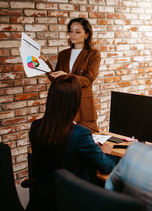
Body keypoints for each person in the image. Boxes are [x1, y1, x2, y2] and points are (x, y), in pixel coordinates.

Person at [29, 75, 116, 211]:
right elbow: (107, 166)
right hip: (71, 201)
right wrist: (104, 152)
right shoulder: (80, 134)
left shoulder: (36, 127)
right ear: (75, 102)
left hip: (42, 200)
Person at [42, 17, 101, 133]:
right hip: (64, 102)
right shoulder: (63, 54)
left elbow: (88, 81)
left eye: (77, 32)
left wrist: (67, 75)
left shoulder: (93, 54)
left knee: (87, 138)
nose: (72, 34)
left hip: (82, 104)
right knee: (66, 139)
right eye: (71, 31)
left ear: (86, 34)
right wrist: (45, 64)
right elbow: (57, 80)